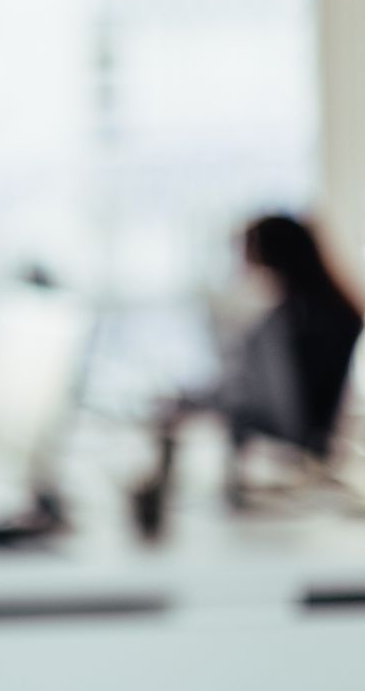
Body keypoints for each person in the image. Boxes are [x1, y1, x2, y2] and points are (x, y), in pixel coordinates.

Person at [151, 215, 363, 509]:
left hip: (289, 457)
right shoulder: (315, 309)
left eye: (246, 250)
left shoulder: (294, 320)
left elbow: (276, 407)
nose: (243, 262)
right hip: (297, 456)